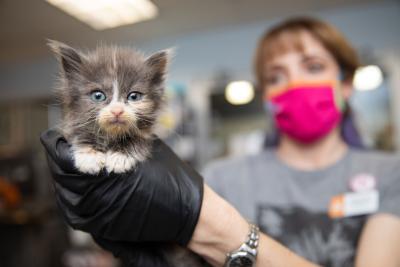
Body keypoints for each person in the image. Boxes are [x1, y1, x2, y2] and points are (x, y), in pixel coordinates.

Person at [40, 17, 400, 267]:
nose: (295, 85)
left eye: (313, 67)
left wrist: (223, 231)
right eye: (277, 75)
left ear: (347, 82)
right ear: (266, 93)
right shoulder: (221, 176)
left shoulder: (390, 174)